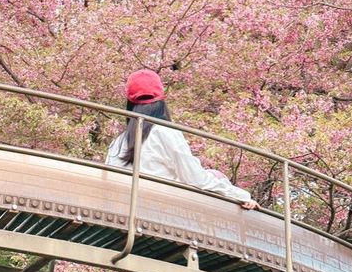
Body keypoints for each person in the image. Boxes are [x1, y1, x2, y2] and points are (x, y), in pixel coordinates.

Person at [106, 69, 259, 210]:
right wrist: (239, 195)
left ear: (129, 103)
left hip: (121, 206)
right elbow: (195, 178)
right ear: (161, 101)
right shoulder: (165, 132)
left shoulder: (119, 141)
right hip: (159, 208)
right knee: (214, 176)